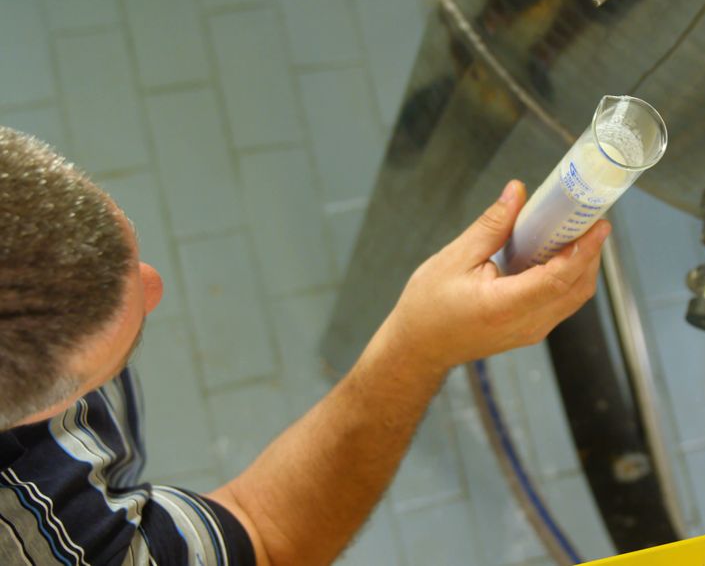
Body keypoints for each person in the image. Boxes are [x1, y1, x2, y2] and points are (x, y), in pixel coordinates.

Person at [0, 126, 609, 565]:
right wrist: (417, 349)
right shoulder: (48, 544)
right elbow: (263, 536)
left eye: (123, 232)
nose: (152, 284)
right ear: (28, 416)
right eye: (110, 355)